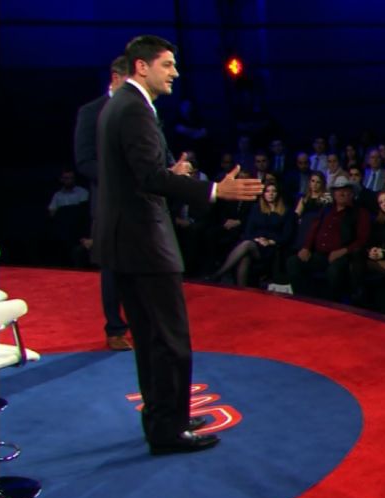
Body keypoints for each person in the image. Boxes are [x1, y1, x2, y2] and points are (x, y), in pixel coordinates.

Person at [96, 35, 262, 454]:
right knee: (169, 339)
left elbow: (141, 173)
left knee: (152, 338)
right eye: (168, 65)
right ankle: (169, 430)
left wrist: (170, 172)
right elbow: (150, 179)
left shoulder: (118, 104)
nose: (175, 73)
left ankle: (165, 417)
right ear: (142, 67)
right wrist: (213, 191)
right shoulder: (134, 108)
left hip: (128, 240)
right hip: (145, 241)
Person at [74, 55, 134, 351]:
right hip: (109, 203)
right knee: (112, 268)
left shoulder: (142, 111)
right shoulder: (91, 112)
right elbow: (84, 161)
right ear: (115, 78)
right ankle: (115, 329)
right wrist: (118, 176)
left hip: (142, 203)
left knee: (141, 267)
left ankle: (141, 322)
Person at [211, 181, 293, 286]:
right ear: (263, 194)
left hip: (271, 248)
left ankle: (218, 275)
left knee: (247, 245)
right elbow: (248, 231)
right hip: (255, 244)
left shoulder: (286, 212)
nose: (271, 194)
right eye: (267, 191)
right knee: (246, 254)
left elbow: (286, 236)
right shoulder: (256, 209)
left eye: (274, 191)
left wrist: (270, 241)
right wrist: (257, 239)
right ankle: (242, 292)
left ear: (278, 194)